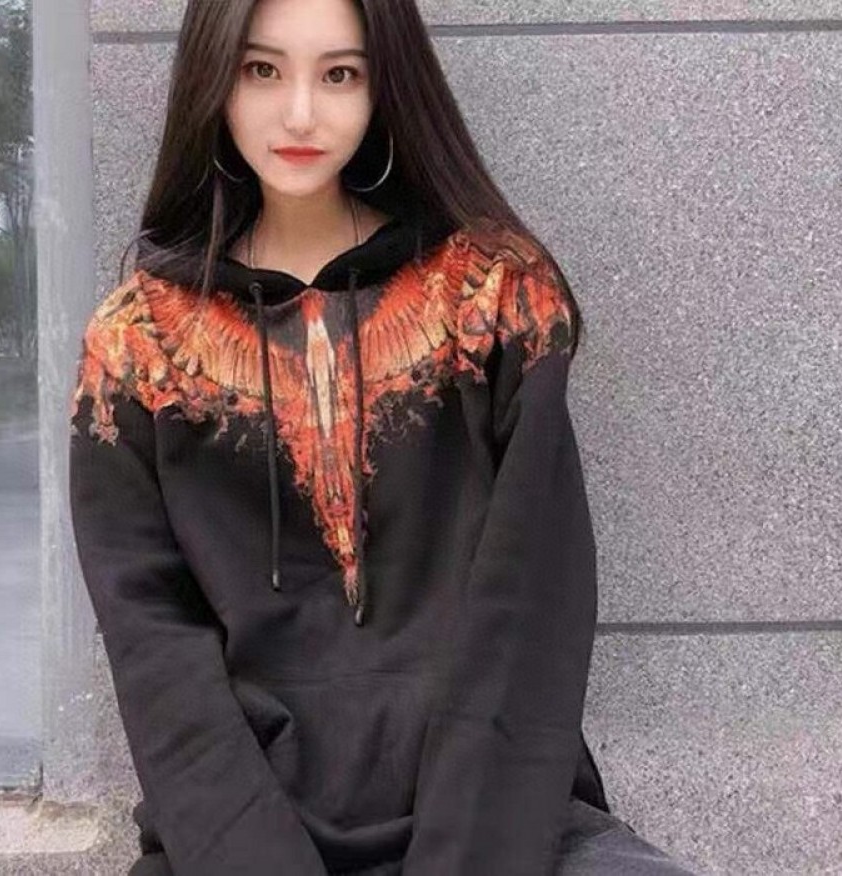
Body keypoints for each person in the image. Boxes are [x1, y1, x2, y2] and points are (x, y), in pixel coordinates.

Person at [68, 0, 700, 873]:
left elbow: (532, 606)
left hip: (495, 819)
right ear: (213, 78)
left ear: (384, 84)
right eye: (262, 70)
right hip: (242, 838)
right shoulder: (137, 343)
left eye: (340, 73)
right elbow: (154, 647)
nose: (300, 113)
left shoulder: (492, 297)